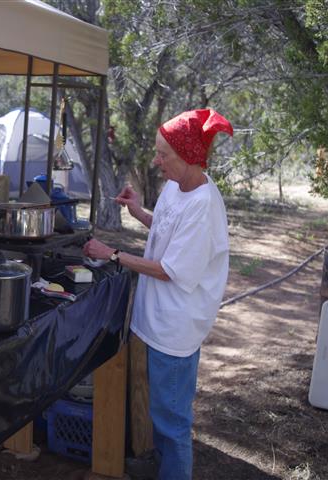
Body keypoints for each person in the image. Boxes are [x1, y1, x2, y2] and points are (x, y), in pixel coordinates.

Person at [83, 109, 233, 480]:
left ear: (189, 157)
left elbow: (170, 268)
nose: (156, 161)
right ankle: (161, 467)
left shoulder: (203, 206)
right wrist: (139, 213)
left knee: (172, 422)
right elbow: (168, 229)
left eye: (163, 154)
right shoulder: (177, 187)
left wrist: (113, 254)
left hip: (175, 328)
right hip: (157, 319)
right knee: (160, 413)